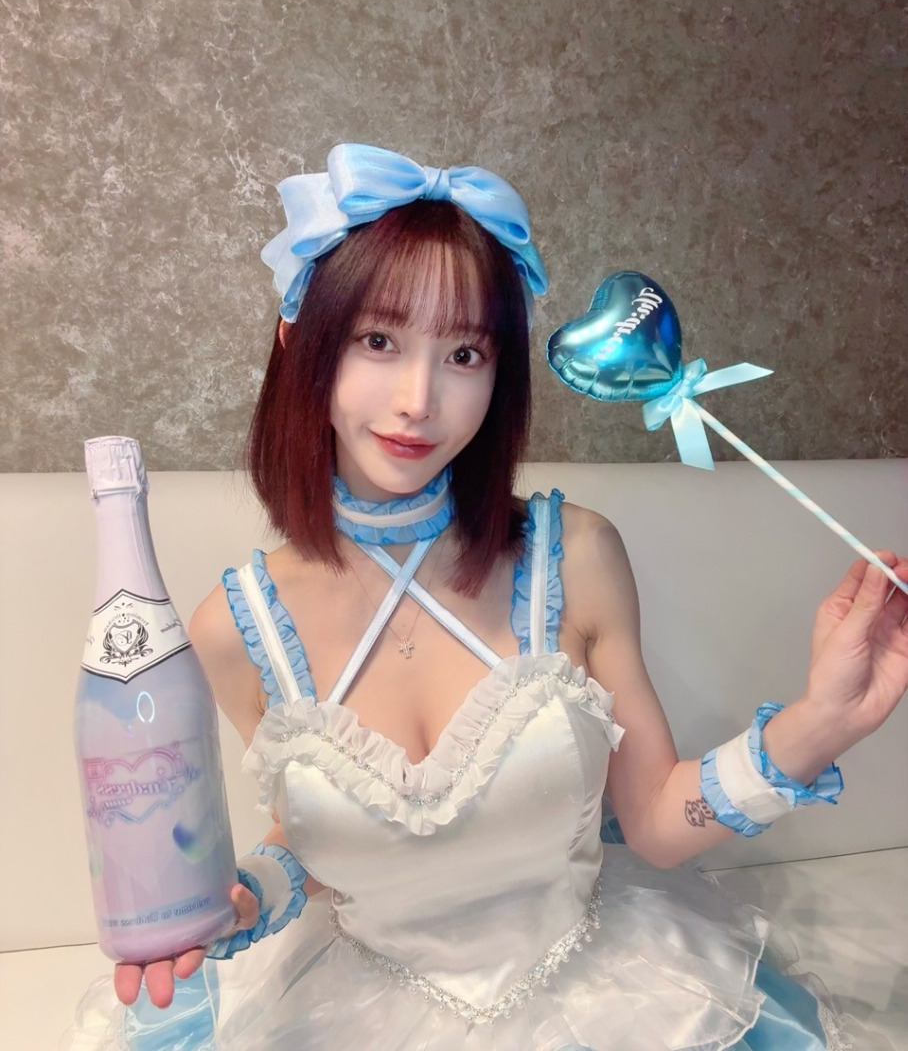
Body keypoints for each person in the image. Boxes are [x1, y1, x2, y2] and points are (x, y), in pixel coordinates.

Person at [67, 144, 908, 1050]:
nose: (419, 399)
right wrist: (247, 899)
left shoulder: (577, 556)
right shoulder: (231, 630)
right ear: (299, 340)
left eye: (464, 352)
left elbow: (658, 825)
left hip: (623, 1000)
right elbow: (308, 840)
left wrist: (823, 721)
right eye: (379, 340)